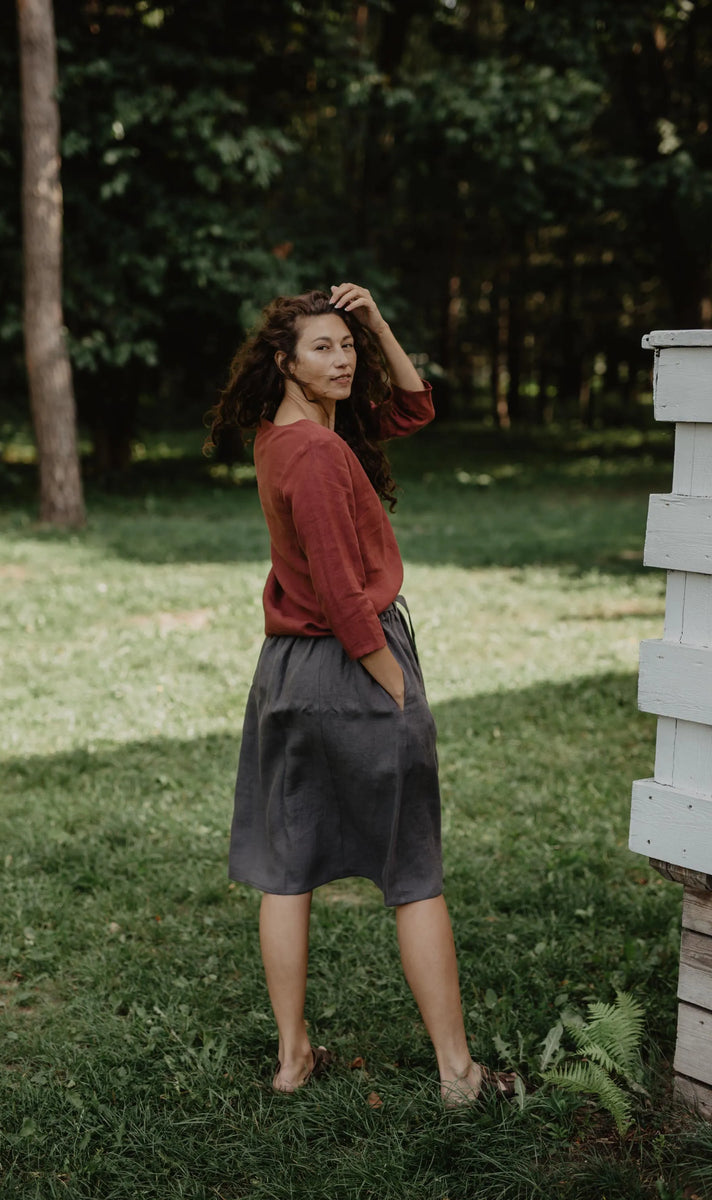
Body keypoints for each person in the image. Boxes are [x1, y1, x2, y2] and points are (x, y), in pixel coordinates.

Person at [205, 283, 515, 1105]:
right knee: (413, 871)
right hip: (350, 662)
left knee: (288, 868)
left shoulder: (292, 434)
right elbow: (346, 598)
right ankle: (458, 1074)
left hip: (288, 676)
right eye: (324, 348)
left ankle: (292, 1059)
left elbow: (414, 409)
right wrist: (397, 689)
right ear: (284, 359)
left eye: (348, 346)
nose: (343, 360)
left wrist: (377, 320)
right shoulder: (316, 455)